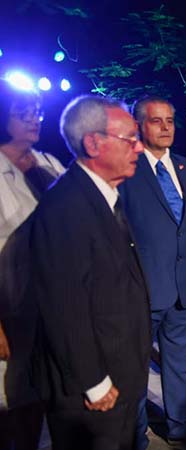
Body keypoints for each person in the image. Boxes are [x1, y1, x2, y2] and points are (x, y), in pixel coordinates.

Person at [27, 95, 151, 449]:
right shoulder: (65, 208)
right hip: (92, 393)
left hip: (118, 379)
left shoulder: (104, 196)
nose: (139, 148)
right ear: (94, 143)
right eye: (130, 139)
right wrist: (94, 382)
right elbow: (64, 308)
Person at [119, 97, 186, 449]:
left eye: (170, 120)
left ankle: (181, 427)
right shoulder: (125, 169)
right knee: (133, 371)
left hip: (184, 288)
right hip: (139, 290)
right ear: (139, 125)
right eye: (156, 121)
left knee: (178, 362)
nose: (165, 127)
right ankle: (134, 436)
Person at [0, 80, 65, 450]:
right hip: (8, 308)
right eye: (22, 112)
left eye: (36, 112)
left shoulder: (48, 163)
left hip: (47, 307)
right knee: (9, 408)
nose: (33, 119)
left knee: (40, 402)